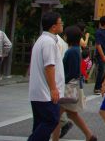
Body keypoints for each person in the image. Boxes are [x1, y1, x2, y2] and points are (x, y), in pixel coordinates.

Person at [53, 25, 96, 141]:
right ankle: (89, 135)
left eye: (66, 35)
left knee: (56, 116)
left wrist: (62, 82)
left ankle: (55, 139)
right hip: (75, 87)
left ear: (69, 37)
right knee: (72, 114)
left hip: (68, 87)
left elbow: (71, 72)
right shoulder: (77, 49)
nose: (64, 37)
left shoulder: (71, 51)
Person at [27, 11, 64, 141]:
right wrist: (53, 88)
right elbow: (49, 66)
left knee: (39, 124)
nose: (62, 25)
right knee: (51, 120)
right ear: (54, 26)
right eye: (60, 22)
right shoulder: (48, 42)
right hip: (45, 93)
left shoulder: (42, 40)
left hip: (39, 91)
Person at [93, 16, 105, 95]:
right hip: (103, 54)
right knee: (102, 70)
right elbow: (98, 45)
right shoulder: (99, 32)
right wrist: (102, 56)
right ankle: (97, 87)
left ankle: (103, 85)